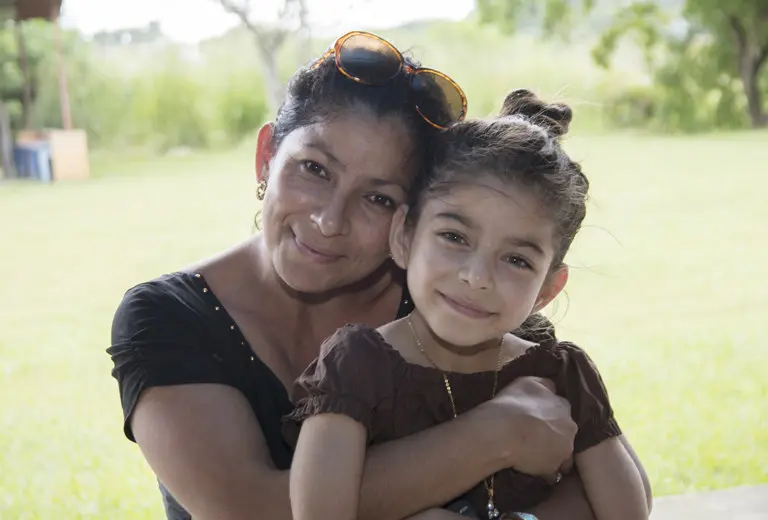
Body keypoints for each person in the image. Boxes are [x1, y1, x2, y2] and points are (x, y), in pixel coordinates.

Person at [107, 31, 651, 520]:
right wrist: (495, 436)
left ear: (407, 222)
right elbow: (251, 511)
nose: (329, 221)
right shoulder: (167, 318)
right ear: (267, 156)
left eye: (377, 197)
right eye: (314, 169)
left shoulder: (447, 298)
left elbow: (594, 484)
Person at [286, 89, 650, 520]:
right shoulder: (357, 367)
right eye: (455, 237)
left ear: (548, 289)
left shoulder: (562, 375)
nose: (477, 277)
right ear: (403, 237)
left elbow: (627, 512)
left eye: (517, 260)